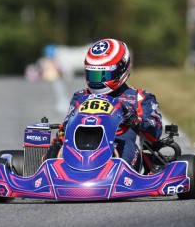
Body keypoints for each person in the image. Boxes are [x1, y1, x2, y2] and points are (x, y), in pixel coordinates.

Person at [47, 38, 162, 173]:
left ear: (121, 69)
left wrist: (136, 121)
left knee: (127, 141)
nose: (96, 81)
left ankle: (121, 175)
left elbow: (156, 132)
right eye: (93, 74)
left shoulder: (141, 97)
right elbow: (67, 126)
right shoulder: (80, 97)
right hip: (82, 147)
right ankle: (51, 172)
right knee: (60, 141)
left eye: (102, 75)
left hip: (121, 145)